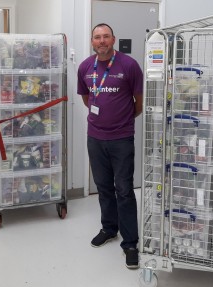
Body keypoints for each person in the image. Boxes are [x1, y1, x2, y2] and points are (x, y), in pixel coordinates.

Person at [77, 23, 143, 269]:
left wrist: (121, 120)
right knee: (104, 187)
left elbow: (139, 102)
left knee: (124, 189)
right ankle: (109, 228)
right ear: (92, 41)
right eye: (97, 37)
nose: (102, 41)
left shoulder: (129, 65)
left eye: (106, 37)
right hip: (94, 137)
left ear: (113, 39)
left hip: (122, 138)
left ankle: (130, 243)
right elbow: (87, 99)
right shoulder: (85, 66)